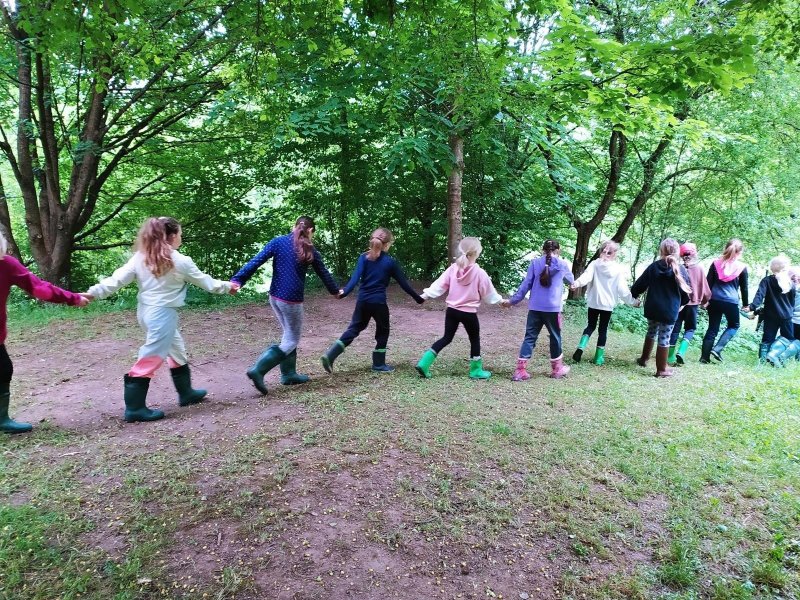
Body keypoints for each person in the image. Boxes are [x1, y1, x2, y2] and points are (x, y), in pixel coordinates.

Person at [85, 217, 235, 423]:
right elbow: (207, 283)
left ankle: (186, 393)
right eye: (180, 234)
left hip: (145, 313)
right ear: (171, 236)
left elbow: (116, 280)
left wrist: (93, 293)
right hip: (162, 315)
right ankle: (135, 408)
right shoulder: (180, 261)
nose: (181, 238)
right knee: (151, 356)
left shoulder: (141, 257)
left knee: (176, 349)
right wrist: (229, 287)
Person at [231, 216, 339, 394]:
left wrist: (237, 280)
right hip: (291, 301)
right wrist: (336, 291)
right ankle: (258, 370)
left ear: (294, 226)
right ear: (310, 231)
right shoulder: (309, 249)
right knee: (292, 339)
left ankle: (288, 374)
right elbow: (324, 273)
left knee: (288, 334)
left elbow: (256, 261)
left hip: (275, 297)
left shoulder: (278, 242)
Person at [0, 232, 89, 433]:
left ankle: (2, 420)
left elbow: (39, 288)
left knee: (3, 370)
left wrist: (72, 298)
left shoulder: (6, 264)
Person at [321, 228, 423, 373]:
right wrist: (418, 299)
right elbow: (404, 285)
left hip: (363, 301)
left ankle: (331, 355)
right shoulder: (390, 262)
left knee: (355, 328)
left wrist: (343, 293)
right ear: (386, 244)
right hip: (378, 303)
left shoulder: (363, 258)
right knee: (383, 331)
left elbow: (354, 279)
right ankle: (379, 364)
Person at [415, 237, 504, 379]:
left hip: (452, 311)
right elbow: (489, 294)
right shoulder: (480, 273)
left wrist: (425, 295)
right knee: (474, 339)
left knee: (446, 338)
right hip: (468, 313)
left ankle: (424, 363)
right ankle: (476, 371)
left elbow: (439, 285)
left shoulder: (453, 269)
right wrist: (501, 301)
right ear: (477, 253)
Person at [504, 239, 574, 380]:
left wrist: (512, 301)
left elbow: (526, 284)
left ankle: (520, 371)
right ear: (558, 251)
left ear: (542, 250)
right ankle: (557, 369)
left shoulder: (535, 263)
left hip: (535, 307)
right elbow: (571, 281)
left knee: (530, 337)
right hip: (553, 309)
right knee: (555, 337)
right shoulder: (562, 264)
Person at [569, 240, 638, 366]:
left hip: (593, 302)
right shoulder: (617, 269)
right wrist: (633, 302)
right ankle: (598, 358)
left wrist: (576, 283)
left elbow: (586, 277)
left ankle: (580, 347)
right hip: (607, 305)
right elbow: (623, 290)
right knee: (603, 330)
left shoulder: (595, 264)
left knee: (590, 326)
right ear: (614, 253)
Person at [630, 238, 691, 378]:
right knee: (664, 337)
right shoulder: (680, 269)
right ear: (677, 252)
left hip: (652, 308)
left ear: (661, 251)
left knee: (651, 332)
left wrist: (634, 296)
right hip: (669, 311)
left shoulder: (654, 267)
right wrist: (682, 304)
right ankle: (661, 370)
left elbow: (639, 285)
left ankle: (644, 359)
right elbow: (686, 293)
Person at [700, 239, 749, 363]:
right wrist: (745, 304)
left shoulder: (715, 264)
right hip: (731, 302)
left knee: (712, 328)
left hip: (714, 300)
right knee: (734, 325)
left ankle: (704, 358)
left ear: (726, 248)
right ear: (740, 252)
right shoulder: (742, 267)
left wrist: (705, 300)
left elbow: (708, 283)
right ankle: (717, 349)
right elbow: (744, 288)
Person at [746, 255, 795, 361]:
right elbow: (792, 302)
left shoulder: (767, 281)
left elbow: (759, 296)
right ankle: (775, 355)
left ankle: (763, 361)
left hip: (770, 316)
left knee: (767, 339)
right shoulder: (791, 283)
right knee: (788, 339)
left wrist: (752, 307)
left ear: (772, 268)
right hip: (787, 316)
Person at [668, 242, 711, 365]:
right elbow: (705, 289)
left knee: (675, 329)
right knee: (690, 328)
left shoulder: (677, 268)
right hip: (693, 305)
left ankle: (670, 357)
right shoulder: (699, 269)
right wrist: (705, 301)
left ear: (681, 255)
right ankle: (681, 352)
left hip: (678, 304)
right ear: (694, 254)